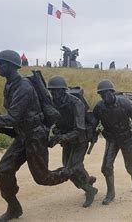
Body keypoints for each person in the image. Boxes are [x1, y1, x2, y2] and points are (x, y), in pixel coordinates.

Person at [0, 50, 70, 222]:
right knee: (3, 170)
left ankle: (72, 171)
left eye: (0, 63)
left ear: (11, 66)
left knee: (43, 178)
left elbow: (12, 117)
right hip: (23, 136)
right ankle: (14, 208)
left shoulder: (23, 87)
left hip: (35, 136)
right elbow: (15, 116)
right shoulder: (9, 85)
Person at [47, 75, 98, 208]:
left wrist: (63, 137)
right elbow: (56, 122)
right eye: (51, 90)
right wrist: (56, 133)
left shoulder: (76, 103)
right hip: (67, 140)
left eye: (56, 90)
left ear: (63, 90)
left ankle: (89, 190)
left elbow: (79, 130)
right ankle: (88, 180)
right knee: (67, 168)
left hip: (80, 139)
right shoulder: (53, 103)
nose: (53, 93)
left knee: (72, 169)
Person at [93, 79, 132, 205]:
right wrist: (94, 131)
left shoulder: (125, 103)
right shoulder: (99, 107)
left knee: (130, 166)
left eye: (106, 93)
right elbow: (92, 123)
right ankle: (111, 193)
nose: (104, 96)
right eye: (101, 94)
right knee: (106, 167)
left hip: (126, 138)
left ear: (112, 92)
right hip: (112, 139)